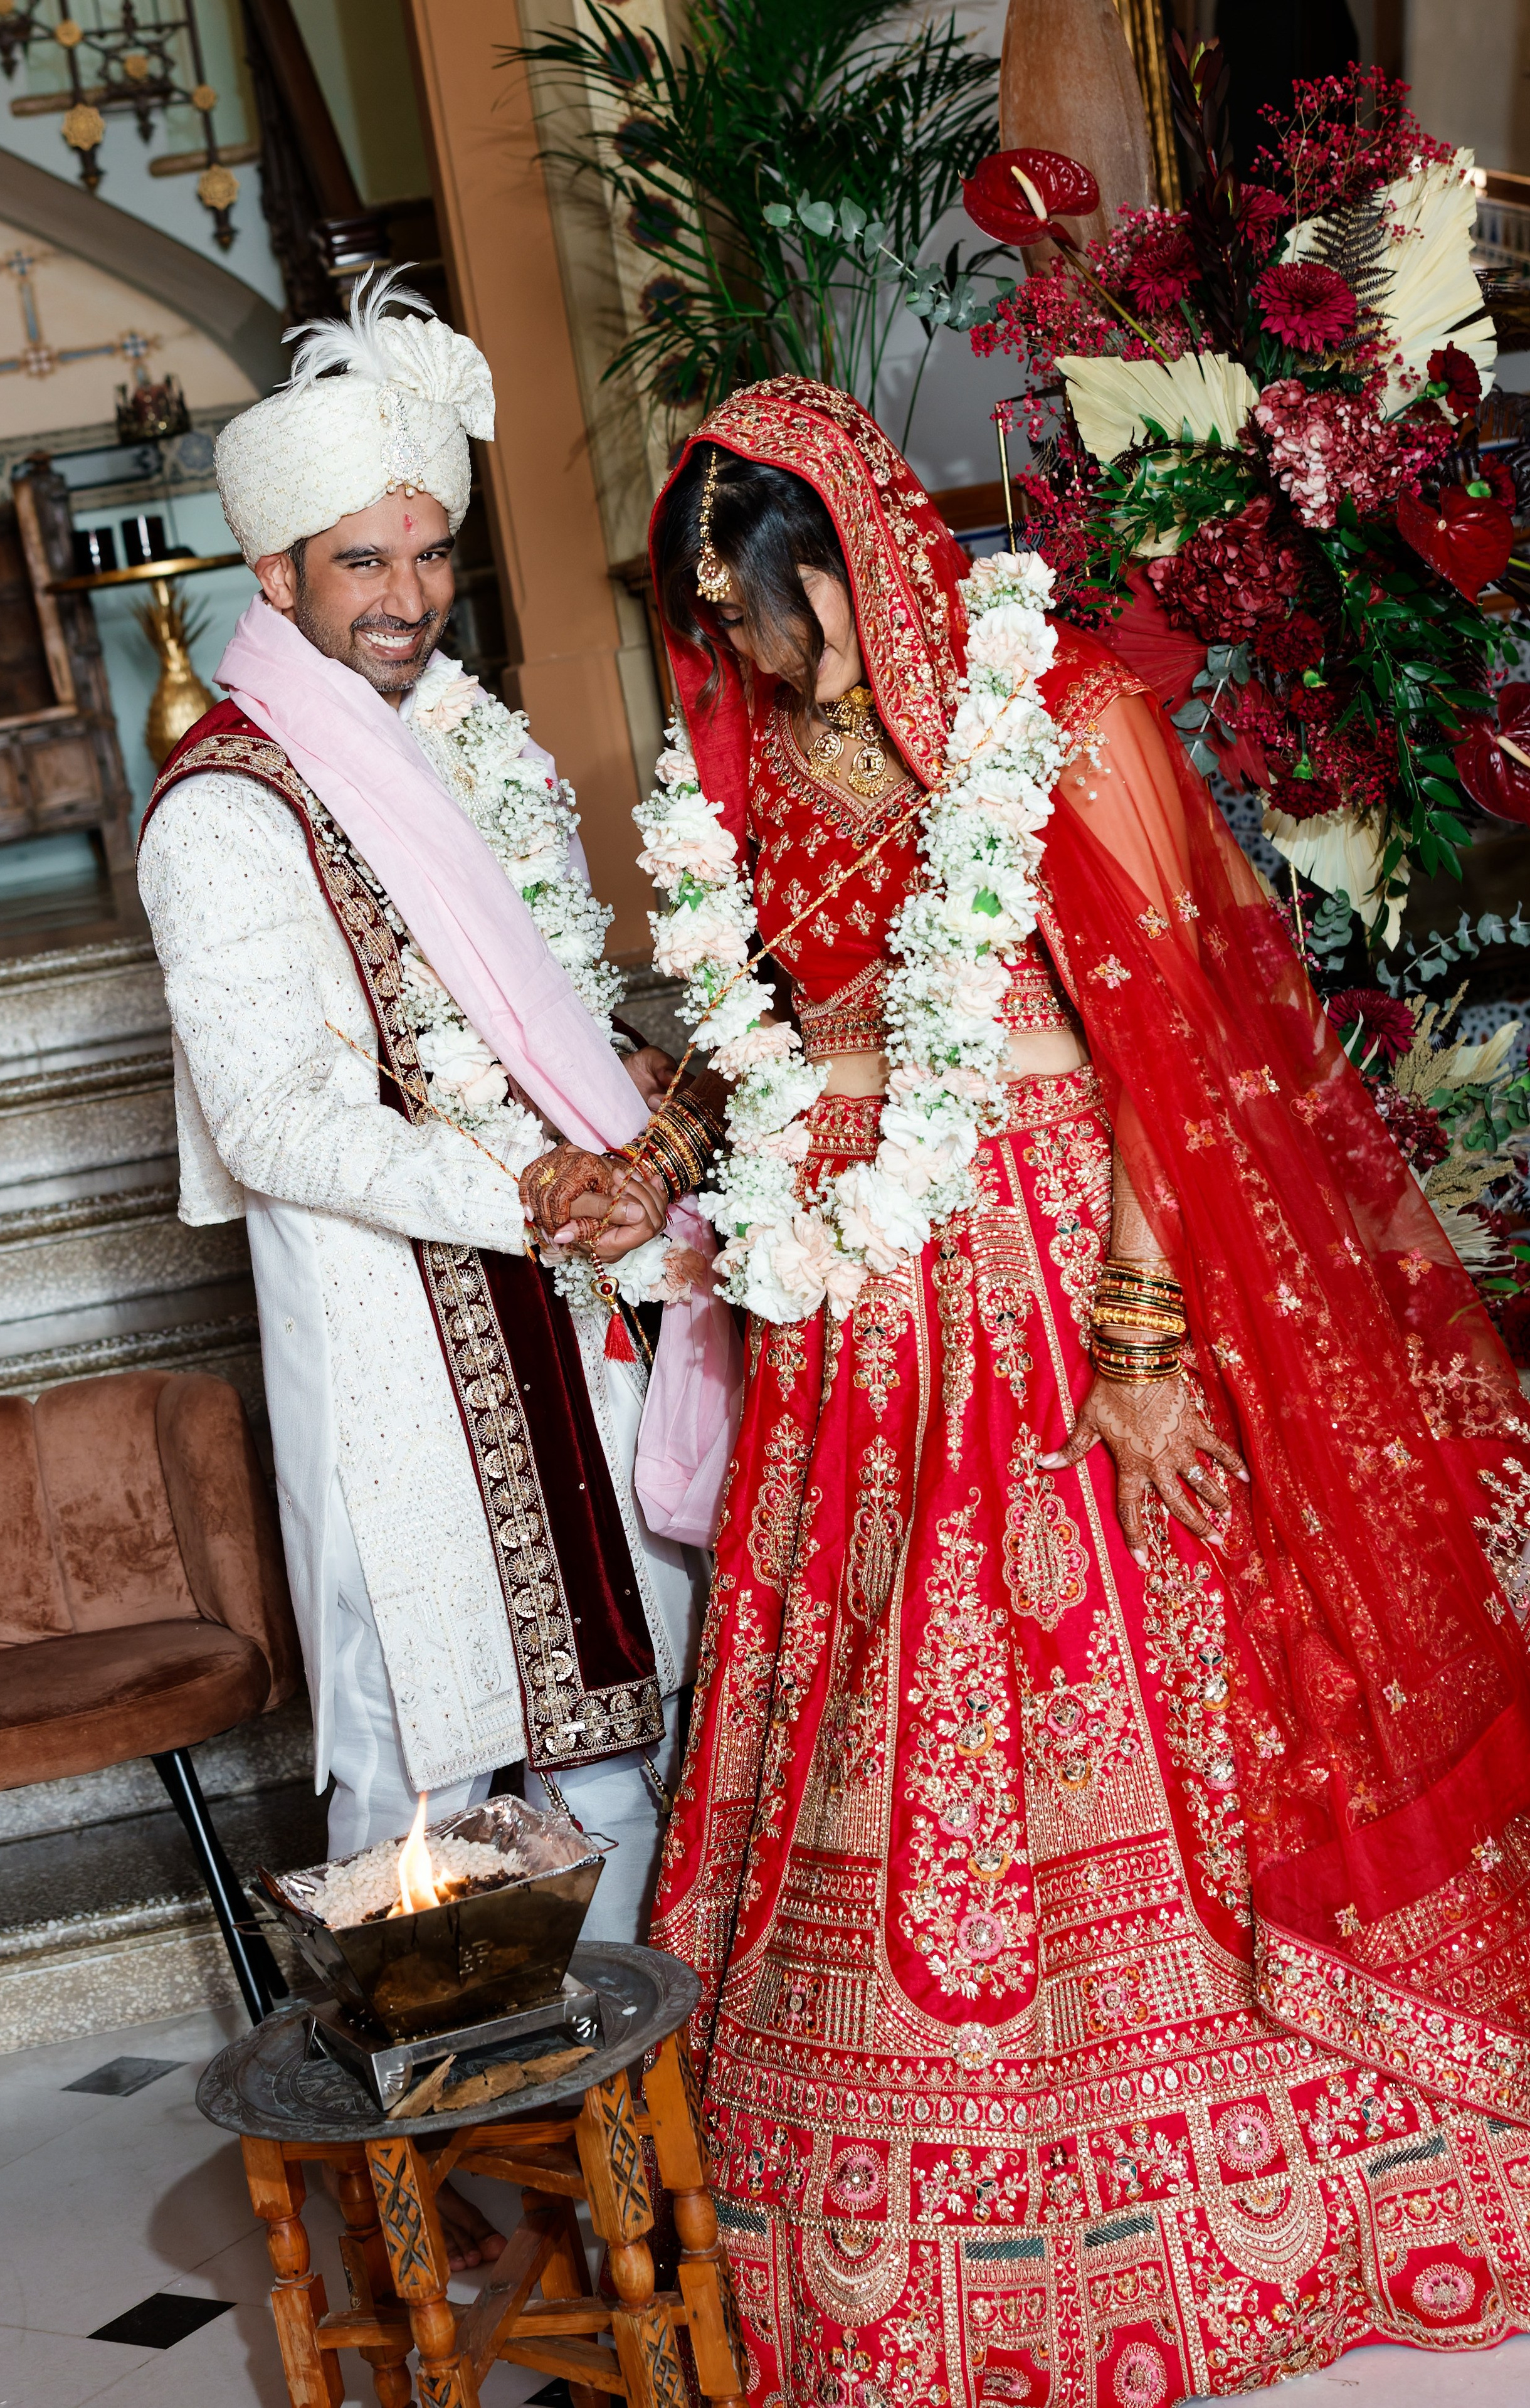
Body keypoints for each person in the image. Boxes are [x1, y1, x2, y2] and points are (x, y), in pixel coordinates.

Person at [549, 379, 1530, 2400]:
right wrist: (644, 1161)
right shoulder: (750, 767)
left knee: (1122, 1646)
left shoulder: (1054, 721)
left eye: (767, 614)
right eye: (714, 625)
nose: (744, 660)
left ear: (850, 563)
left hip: (1057, 1279)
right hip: (856, 1325)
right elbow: (757, 1034)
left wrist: (1150, 1352)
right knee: (863, 1688)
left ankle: (1245, 2143)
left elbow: (1176, 1065)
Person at [135, 273, 720, 2045]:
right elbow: (280, 1122)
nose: (406, 600)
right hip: (412, 1342)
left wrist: (627, 1139)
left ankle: (630, 2131)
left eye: (427, 557)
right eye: (362, 566)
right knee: (430, 1776)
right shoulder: (229, 811)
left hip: (572, 1312)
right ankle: (454, 2178)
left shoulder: (452, 753)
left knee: (614, 1744)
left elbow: (548, 1015)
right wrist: (542, 1195)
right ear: (280, 579)